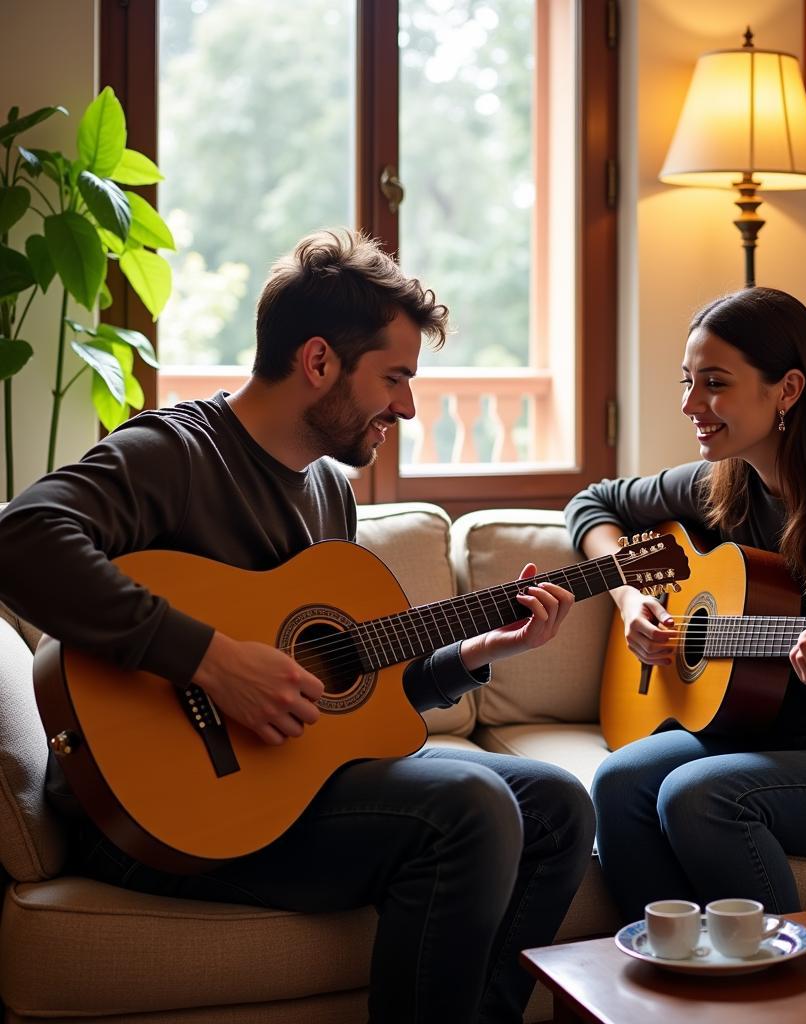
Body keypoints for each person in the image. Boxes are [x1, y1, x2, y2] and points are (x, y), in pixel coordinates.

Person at [0, 228, 596, 1024]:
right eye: (394, 377)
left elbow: (352, 691)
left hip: (283, 786)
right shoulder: (173, 453)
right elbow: (20, 537)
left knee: (559, 806)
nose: (409, 407)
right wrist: (210, 660)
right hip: (153, 811)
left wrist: (480, 650)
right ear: (318, 362)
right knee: (471, 803)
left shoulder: (328, 492)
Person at [564, 286, 806, 920]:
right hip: (760, 736)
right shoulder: (725, 480)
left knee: (698, 793)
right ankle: (674, 988)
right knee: (618, 781)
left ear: (788, 390)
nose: (691, 404)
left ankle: (774, 992)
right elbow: (593, 504)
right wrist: (631, 598)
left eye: (714, 383)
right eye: (687, 381)